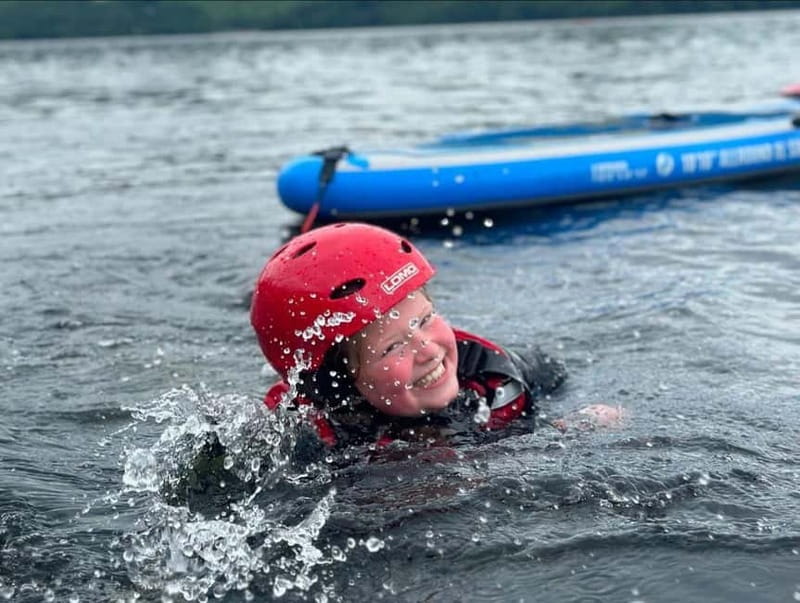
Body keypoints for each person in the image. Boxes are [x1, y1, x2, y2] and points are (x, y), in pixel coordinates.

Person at [250, 222, 620, 451]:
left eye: (426, 320)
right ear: (339, 383)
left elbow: (555, 380)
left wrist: (571, 425)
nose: (427, 350)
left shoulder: (491, 374)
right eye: (393, 347)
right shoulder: (305, 432)